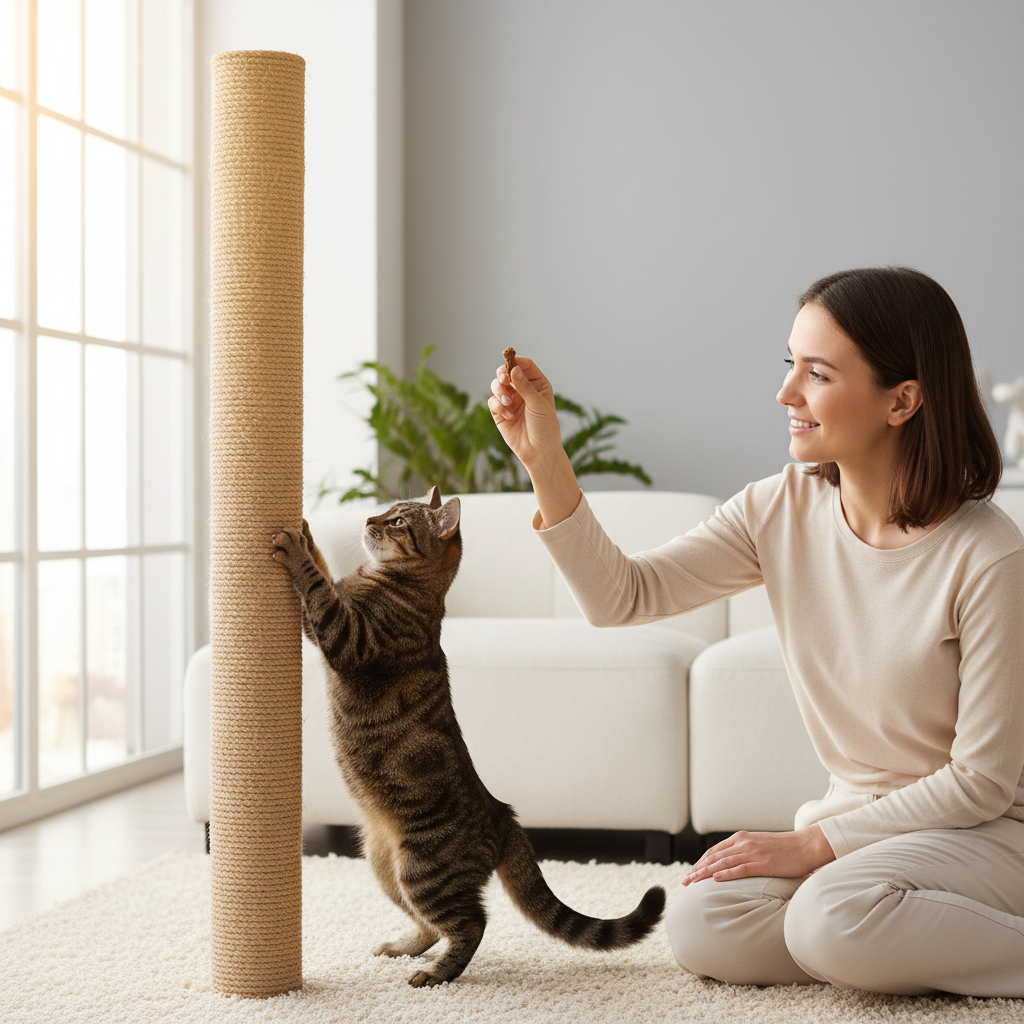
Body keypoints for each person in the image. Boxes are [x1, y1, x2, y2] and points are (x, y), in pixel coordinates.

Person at [488, 267, 1024, 997]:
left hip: (984, 836)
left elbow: (981, 783)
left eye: (819, 373)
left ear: (902, 400)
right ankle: (883, 937)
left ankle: (871, 933)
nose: (786, 393)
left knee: (829, 919)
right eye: (789, 364)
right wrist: (542, 458)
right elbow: (622, 596)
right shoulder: (781, 509)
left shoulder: (988, 555)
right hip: (860, 830)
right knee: (705, 924)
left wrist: (812, 846)